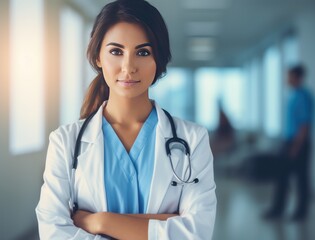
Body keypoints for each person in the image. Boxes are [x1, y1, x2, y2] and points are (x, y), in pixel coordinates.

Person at [35, 0, 216, 239]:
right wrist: (163, 224)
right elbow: (53, 233)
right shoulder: (65, 142)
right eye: (116, 51)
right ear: (98, 57)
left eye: (142, 52)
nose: (128, 67)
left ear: (157, 59)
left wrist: (100, 221)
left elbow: (197, 233)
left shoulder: (193, 139)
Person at [263, 64, 315, 221]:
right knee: (282, 176)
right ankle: (278, 209)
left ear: (298, 77)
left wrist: (295, 147)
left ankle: (301, 212)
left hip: (298, 143)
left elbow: (304, 126)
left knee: (301, 178)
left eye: (290, 76)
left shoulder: (304, 96)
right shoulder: (294, 95)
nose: (287, 79)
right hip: (289, 141)